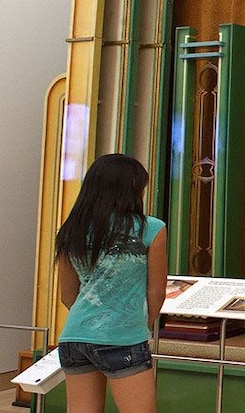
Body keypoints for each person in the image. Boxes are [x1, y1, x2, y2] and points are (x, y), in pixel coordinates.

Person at [55, 154, 167, 413]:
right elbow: (157, 291)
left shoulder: (72, 230)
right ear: (130, 189)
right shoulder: (151, 228)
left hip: (75, 335)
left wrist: (92, 320)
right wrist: (140, 324)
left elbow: (67, 294)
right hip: (123, 336)